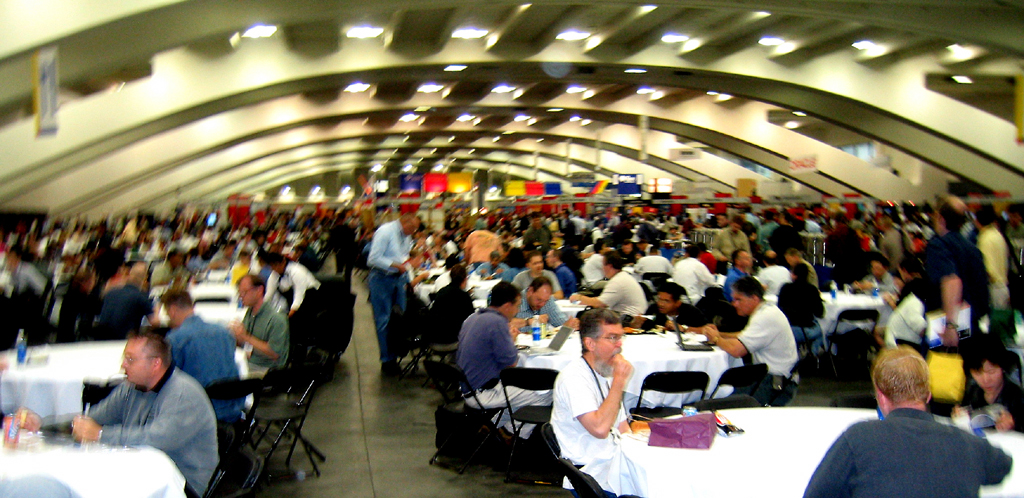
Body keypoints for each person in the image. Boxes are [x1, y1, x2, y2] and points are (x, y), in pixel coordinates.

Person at [19, 331, 219, 496]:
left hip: (183, 485)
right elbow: (92, 418)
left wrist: (99, 434)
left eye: (130, 359)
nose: (123, 364)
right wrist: (42, 426)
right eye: (125, 357)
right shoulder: (132, 387)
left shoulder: (183, 396)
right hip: (142, 468)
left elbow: (154, 438)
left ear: (155, 363)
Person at [804, 347, 1012, 498]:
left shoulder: (858, 438)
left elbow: (817, 493)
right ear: (928, 395)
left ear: (881, 397)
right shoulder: (967, 443)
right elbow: (1002, 465)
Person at [551, 308, 633, 495]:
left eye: (620, 337)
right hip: (591, 472)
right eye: (612, 338)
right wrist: (619, 382)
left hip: (611, 460)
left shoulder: (604, 372)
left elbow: (622, 427)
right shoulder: (574, 378)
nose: (619, 344)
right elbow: (600, 429)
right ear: (590, 343)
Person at [455, 281, 550, 437]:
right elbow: (511, 364)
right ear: (507, 306)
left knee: (521, 393)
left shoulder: (474, 317)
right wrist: (511, 341)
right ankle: (512, 434)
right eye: (517, 306)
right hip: (483, 392)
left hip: (468, 387)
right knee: (544, 393)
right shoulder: (497, 322)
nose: (517, 310)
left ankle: (493, 425)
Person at [698, 276, 799, 406]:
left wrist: (716, 339)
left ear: (754, 298)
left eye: (738, 299)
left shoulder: (764, 317)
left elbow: (736, 351)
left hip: (774, 383)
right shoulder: (767, 310)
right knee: (723, 391)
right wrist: (720, 334)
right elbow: (743, 336)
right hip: (773, 377)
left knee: (716, 403)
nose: (734, 304)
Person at [161, 290, 243, 422]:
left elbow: (168, 379)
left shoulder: (175, 339)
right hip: (233, 408)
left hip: (198, 414)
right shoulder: (224, 332)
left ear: (172, 311)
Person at [926, 196, 989, 346]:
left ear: (940, 218)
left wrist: (950, 325)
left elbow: (952, 281)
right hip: (972, 324)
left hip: (946, 325)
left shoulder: (939, 246)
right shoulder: (973, 249)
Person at [367, 214, 420, 375]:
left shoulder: (405, 236)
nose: (413, 232)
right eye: (412, 228)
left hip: (398, 279)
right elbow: (373, 259)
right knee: (384, 320)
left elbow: (402, 257)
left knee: (399, 320)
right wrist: (396, 266)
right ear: (404, 222)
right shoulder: (385, 232)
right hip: (381, 279)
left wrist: (408, 271)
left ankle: (396, 355)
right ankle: (387, 360)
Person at [960, 338, 1024, 433]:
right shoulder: (972, 392)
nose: (986, 380)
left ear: (1003, 368)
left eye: (991, 372)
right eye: (978, 373)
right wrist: (960, 415)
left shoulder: (1017, 397)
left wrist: (1014, 424)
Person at [231, 274, 290, 373]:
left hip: (267, 370)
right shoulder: (250, 312)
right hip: (251, 362)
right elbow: (243, 341)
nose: (241, 296)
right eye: (239, 292)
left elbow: (275, 353)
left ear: (259, 290)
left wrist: (245, 337)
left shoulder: (276, 318)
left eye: (244, 292)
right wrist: (236, 335)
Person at [569, 251, 648, 317]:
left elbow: (599, 304)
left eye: (603, 265)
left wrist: (579, 297)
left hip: (630, 318)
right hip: (631, 315)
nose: (602, 268)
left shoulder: (617, 281)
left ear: (609, 266)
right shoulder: (623, 277)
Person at [96, 262, 158, 339]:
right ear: (145, 279)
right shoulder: (140, 297)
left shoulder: (110, 293)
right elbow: (155, 322)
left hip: (101, 340)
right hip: (124, 341)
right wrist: (157, 308)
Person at [882, 258, 929, 352]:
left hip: (903, 337)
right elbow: (921, 329)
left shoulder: (913, 295)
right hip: (899, 342)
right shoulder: (915, 301)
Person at [777, 263, 825, 355]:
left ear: (793, 275)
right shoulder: (812, 290)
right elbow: (820, 313)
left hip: (788, 329)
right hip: (806, 329)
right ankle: (811, 353)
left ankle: (800, 355)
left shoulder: (785, 288)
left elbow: (780, 309)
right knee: (824, 330)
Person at [428, 264, 475, 345]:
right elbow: (471, 318)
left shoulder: (441, 292)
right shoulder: (463, 296)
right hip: (452, 338)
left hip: (434, 337)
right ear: (465, 279)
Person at [632, 282, 707, 332]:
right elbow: (643, 329)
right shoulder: (654, 309)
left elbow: (706, 330)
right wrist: (637, 325)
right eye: (659, 299)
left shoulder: (691, 312)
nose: (661, 304)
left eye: (666, 301)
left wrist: (684, 329)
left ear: (678, 303)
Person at [976, 205, 1010, 310]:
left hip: (993, 289)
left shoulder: (984, 238)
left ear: (977, 221)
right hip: (1003, 286)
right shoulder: (998, 235)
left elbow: (987, 269)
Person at [515, 276, 579, 332]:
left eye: (545, 301)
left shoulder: (548, 300)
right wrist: (530, 321)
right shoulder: (515, 301)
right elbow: (507, 324)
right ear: (530, 291)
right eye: (539, 300)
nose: (542, 304)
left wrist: (569, 325)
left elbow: (560, 323)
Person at [56, 267, 99, 343]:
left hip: (62, 338)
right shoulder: (84, 300)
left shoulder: (69, 295)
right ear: (86, 282)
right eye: (93, 281)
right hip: (72, 341)